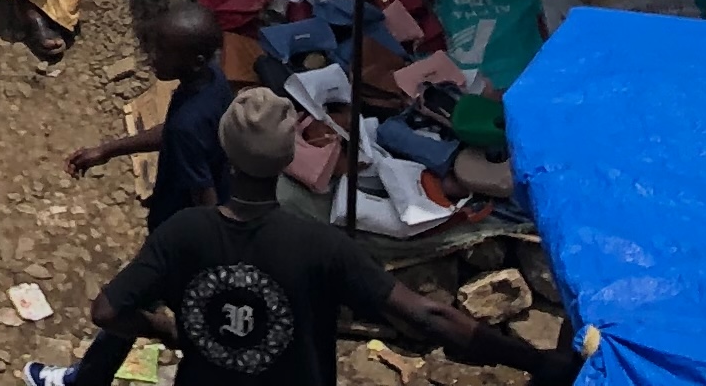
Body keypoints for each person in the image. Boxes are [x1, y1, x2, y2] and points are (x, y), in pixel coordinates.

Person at [46, 90, 563, 386]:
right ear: (288, 161)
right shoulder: (321, 246)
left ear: (225, 156)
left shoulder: (184, 231)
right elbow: (428, 316)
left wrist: (170, 330)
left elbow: (108, 311)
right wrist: (535, 360)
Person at [63, 2, 230, 227]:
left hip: (177, 227)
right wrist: (107, 150)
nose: (152, 56)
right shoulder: (214, 80)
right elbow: (172, 131)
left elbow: (204, 199)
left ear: (195, 62)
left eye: (163, 51)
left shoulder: (187, 125)